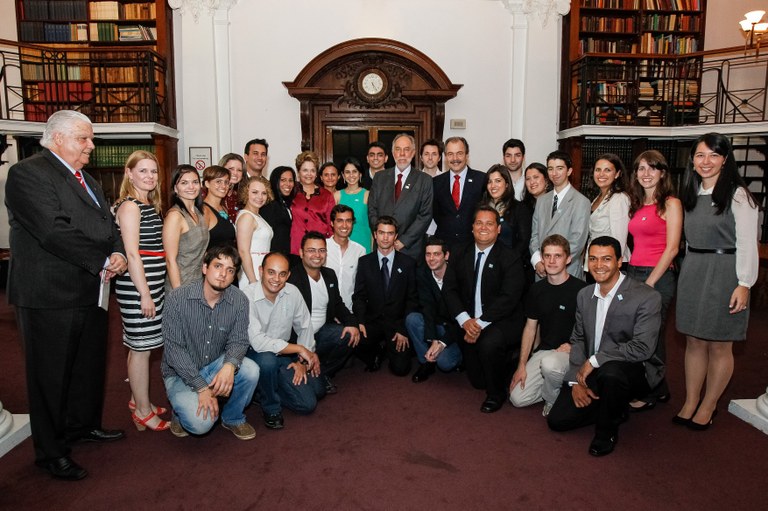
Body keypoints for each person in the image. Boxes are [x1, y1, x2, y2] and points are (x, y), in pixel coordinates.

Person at [6, 110, 128, 480]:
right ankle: (51, 451)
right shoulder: (28, 174)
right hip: (49, 294)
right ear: (57, 138)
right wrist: (104, 258)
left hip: (91, 288)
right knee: (51, 376)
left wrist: (119, 250)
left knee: (87, 367)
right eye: (83, 139)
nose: (91, 146)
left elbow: (109, 222)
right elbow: (53, 231)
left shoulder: (87, 178)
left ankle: (82, 426)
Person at [547, 236, 662, 456]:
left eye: (607, 259)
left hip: (633, 369)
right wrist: (575, 380)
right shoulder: (584, 295)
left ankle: (606, 432)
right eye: (593, 259)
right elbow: (578, 338)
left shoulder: (647, 297)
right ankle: (615, 407)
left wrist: (593, 361)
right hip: (594, 369)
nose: (599, 265)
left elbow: (642, 348)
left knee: (611, 373)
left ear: (620, 261)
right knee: (558, 420)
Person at [675, 133, 759, 430]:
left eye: (713, 155)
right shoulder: (690, 193)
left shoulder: (738, 195)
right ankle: (690, 400)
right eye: (700, 155)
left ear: (725, 159)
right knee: (694, 340)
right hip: (694, 268)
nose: (706, 161)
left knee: (720, 344)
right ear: (693, 160)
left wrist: (744, 283)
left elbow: (749, 243)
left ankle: (708, 405)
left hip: (726, 272)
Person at [161, 245, 260, 440]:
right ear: (205, 268)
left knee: (250, 370)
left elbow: (239, 340)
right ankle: (180, 412)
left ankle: (232, 418)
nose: (223, 274)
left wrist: (230, 366)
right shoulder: (177, 298)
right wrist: (202, 387)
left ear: (234, 276)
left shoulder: (239, 300)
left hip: (214, 365)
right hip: (180, 374)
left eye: (230, 270)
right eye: (218, 266)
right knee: (200, 425)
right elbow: (174, 350)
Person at [443, 206, 526, 413]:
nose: (483, 228)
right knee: (477, 381)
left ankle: (496, 394)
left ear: (498, 229)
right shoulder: (459, 252)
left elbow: (509, 299)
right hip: (470, 321)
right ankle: (506, 363)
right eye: (479, 223)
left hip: (502, 320)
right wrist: (465, 321)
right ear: (471, 228)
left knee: (490, 344)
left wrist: (478, 324)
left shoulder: (510, 257)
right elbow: (449, 290)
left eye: (490, 223)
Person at [113, 150, 169, 432]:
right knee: (141, 348)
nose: (150, 176)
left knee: (142, 345)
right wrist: (145, 293)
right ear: (129, 173)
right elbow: (132, 254)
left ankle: (139, 400)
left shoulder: (147, 204)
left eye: (153, 171)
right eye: (143, 171)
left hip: (150, 285)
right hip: (138, 287)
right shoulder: (130, 206)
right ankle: (144, 411)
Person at [626, 150, 682, 410]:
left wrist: (650, 283)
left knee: (651, 335)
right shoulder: (637, 204)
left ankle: (648, 392)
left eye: (652, 168)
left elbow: (672, 248)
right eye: (641, 169)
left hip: (657, 276)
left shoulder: (671, 203)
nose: (646, 174)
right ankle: (659, 387)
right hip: (634, 273)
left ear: (662, 172)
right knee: (641, 334)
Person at [243, 252, 325, 430]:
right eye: (271, 272)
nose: (276, 279)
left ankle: (266, 385)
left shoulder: (292, 292)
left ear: (288, 275)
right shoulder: (246, 296)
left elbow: (304, 326)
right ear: (261, 271)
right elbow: (257, 341)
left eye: (282, 274)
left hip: (283, 353)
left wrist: (302, 361)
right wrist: (299, 349)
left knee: (315, 394)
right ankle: (270, 406)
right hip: (253, 353)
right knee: (267, 361)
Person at [509, 235, 587, 416]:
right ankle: (561, 388)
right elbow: (530, 328)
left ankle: (552, 401)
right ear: (542, 258)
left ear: (568, 259)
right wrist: (521, 365)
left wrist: (575, 346)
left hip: (571, 353)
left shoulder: (582, 291)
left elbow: (593, 330)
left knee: (550, 365)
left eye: (558, 256)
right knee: (518, 398)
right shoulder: (537, 289)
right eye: (547, 256)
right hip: (546, 351)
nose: (552, 261)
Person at [288, 232, 359, 392]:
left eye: (321, 250)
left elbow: (338, 304)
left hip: (322, 332)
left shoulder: (329, 274)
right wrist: (305, 350)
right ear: (301, 253)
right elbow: (288, 323)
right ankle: (311, 367)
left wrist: (352, 323)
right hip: (299, 340)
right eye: (311, 250)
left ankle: (321, 371)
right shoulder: (292, 279)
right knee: (317, 392)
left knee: (350, 335)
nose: (317, 255)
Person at [353, 216, 419, 375]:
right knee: (352, 340)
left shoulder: (408, 263)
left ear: (396, 236)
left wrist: (403, 329)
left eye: (390, 233)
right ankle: (378, 351)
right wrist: (360, 321)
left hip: (397, 323)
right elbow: (359, 296)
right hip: (372, 321)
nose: (385, 237)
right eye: (381, 233)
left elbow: (413, 299)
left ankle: (392, 348)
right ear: (375, 234)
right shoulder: (364, 262)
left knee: (401, 370)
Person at [405, 237, 463, 383]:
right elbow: (427, 307)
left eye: (436, 254)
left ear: (446, 255)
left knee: (445, 363)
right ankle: (426, 363)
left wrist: (442, 342)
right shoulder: (423, 273)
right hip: (437, 324)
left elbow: (463, 318)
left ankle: (461, 358)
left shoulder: (459, 275)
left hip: (456, 329)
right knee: (413, 319)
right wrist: (433, 339)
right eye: (428, 254)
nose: (431, 259)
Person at [368, 133, 434, 260]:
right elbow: (372, 210)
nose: (402, 154)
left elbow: (425, 215)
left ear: (413, 153)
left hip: (410, 248)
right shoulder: (380, 177)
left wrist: (402, 241)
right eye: (398, 149)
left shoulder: (424, 180)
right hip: (382, 248)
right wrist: (383, 238)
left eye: (406, 149)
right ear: (393, 153)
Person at [530, 151, 590, 280]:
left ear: (569, 171)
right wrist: (537, 261)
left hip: (567, 272)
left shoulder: (581, 202)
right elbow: (534, 235)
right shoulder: (542, 200)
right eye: (550, 169)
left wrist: (552, 263)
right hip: (541, 272)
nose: (554, 173)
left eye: (559, 168)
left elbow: (577, 242)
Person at [432, 137, 487, 250]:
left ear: (467, 155)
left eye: (459, 153)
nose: (455, 158)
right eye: (450, 154)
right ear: (445, 157)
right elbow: (436, 214)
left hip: (473, 245)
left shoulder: (481, 180)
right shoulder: (436, 182)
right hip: (445, 246)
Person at [163, 165, 209, 291]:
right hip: (180, 285)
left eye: (195, 182)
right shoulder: (175, 216)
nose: (191, 187)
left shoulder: (200, 213)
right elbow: (170, 260)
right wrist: (179, 294)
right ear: (175, 188)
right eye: (184, 183)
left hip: (199, 284)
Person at [587, 153, 631, 274]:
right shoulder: (597, 198)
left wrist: (613, 264)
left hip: (611, 265)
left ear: (617, 174)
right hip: (597, 261)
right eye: (598, 170)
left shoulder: (619, 198)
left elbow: (619, 238)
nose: (601, 174)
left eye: (607, 170)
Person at [481, 164, 532, 264]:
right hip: (484, 262)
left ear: (507, 184)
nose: (493, 185)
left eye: (498, 181)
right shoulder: (480, 209)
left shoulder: (519, 209)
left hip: (511, 264)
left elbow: (524, 241)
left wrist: (508, 260)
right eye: (489, 182)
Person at [290, 151, 335, 255]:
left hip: (318, 250)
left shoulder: (327, 195)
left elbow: (331, 225)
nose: (309, 174)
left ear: (316, 173)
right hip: (296, 248)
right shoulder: (291, 192)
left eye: (312, 170)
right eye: (305, 170)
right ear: (298, 172)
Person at [325, 204, 366, 310]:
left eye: (348, 221)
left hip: (350, 311)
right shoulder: (322, 248)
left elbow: (361, 287)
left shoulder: (360, 251)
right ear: (332, 223)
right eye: (339, 220)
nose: (344, 225)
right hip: (324, 311)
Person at [236, 175, 274, 287]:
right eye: (254, 192)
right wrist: (252, 281)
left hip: (262, 268)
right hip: (251, 271)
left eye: (264, 193)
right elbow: (243, 251)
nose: (260, 197)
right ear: (245, 193)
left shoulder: (257, 216)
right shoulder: (247, 217)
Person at [335, 157, 372, 252]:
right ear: (343, 175)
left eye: (354, 171)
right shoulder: (337, 196)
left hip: (363, 244)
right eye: (347, 172)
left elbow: (372, 225)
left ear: (360, 174)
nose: (351, 175)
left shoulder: (367, 195)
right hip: (341, 246)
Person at [260, 165, 296, 258]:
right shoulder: (269, 206)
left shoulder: (285, 204)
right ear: (275, 181)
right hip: (274, 258)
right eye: (283, 180)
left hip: (285, 257)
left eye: (290, 180)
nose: (288, 184)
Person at [202, 165, 236, 250]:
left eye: (226, 182)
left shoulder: (224, 209)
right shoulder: (204, 210)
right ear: (207, 184)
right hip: (211, 261)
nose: (223, 186)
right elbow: (199, 245)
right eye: (218, 181)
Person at [218, 153, 246, 221]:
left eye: (239, 170)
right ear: (221, 169)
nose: (235, 173)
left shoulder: (241, 197)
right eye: (231, 169)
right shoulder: (209, 193)